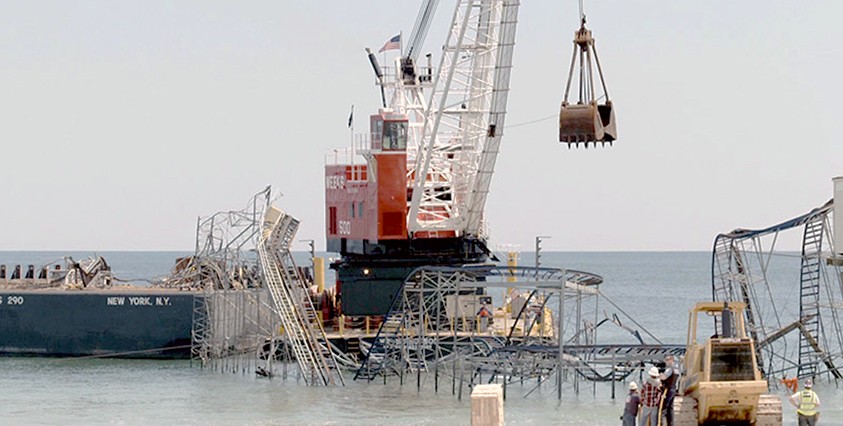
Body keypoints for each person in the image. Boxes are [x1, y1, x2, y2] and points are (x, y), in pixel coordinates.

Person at [660, 354, 678, 426]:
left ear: (671, 360)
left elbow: (663, 378)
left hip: (668, 390)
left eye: (667, 360)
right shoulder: (676, 369)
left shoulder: (669, 369)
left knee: (664, 409)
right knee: (670, 409)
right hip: (673, 389)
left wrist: (660, 375)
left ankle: (663, 424)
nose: (666, 362)